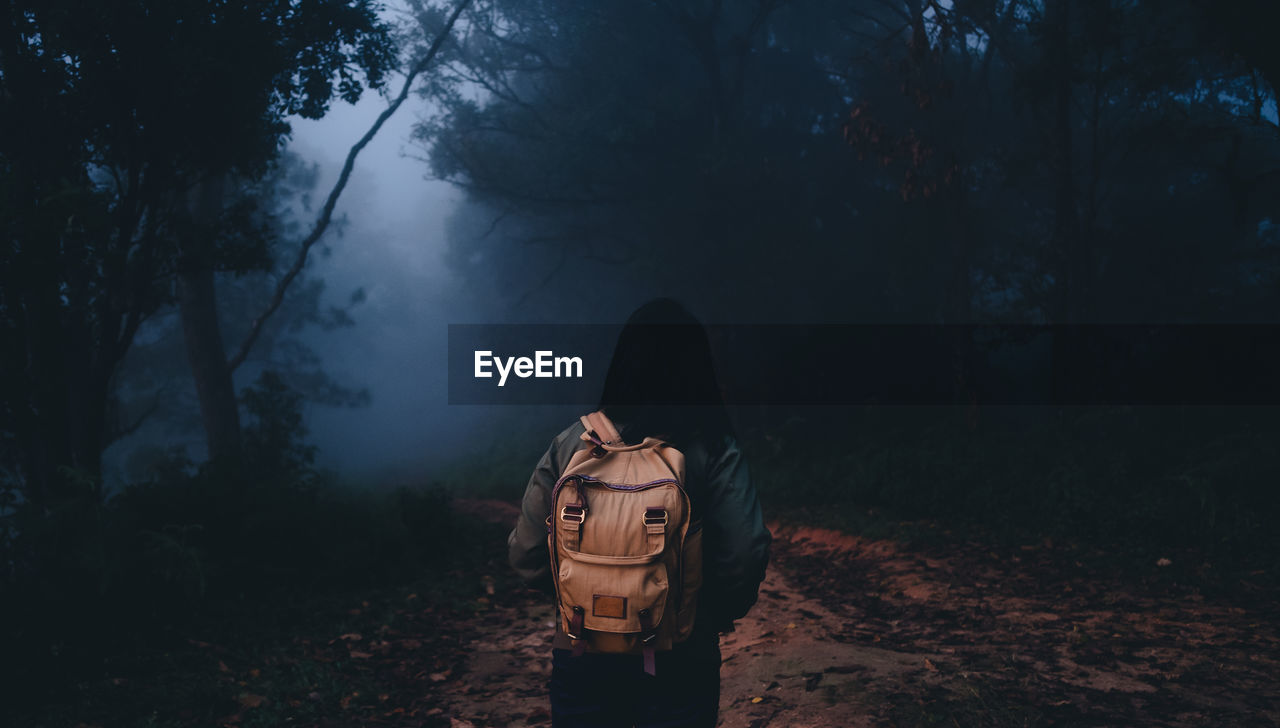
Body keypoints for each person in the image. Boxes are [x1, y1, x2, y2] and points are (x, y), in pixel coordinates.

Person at [507, 298, 772, 728]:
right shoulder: (711, 444)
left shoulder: (573, 440)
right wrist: (705, 616)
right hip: (680, 651)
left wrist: (581, 599)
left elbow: (526, 551)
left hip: (581, 643)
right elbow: (745, 549)